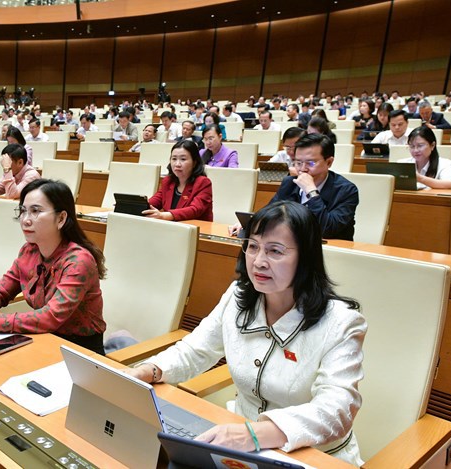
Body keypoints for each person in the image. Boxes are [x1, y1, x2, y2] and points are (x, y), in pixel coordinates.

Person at [126, 200, 366, 467]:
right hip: (238, 447)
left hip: (313, 457)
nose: (259, 262)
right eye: (253, 246)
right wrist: (149, 370)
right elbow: (196, 349)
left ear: (306, 258)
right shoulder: (237, 297)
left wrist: (253, 434)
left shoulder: (341, 322)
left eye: (275, 251)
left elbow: (336, 410)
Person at [0, 179, 107, 354]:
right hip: (42, 339)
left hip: (79, 349)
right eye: (22, 211)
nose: (25, 220)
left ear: (61, 218)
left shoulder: (78, 261)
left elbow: (50, 317)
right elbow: (1, 291)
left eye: (35, 211)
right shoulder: (29, 251)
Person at [267, 133, 358, 240]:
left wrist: (311, 191)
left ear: (329, 162)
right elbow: (268, 215)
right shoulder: (290, 183)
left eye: (310, 163)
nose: (303, 169)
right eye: (298, 163)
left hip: (329, 251)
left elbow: (327, 230)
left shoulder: (346, 190)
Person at [144, 140, 213, 222]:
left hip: (198, 230)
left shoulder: (203, 183)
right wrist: (139, 206)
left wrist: (163, 215)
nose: (177, 164)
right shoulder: (168, 181)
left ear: (194, 162)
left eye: (183, 159)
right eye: (174, 159)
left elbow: (195, 210)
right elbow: (153, 202)